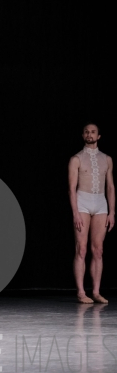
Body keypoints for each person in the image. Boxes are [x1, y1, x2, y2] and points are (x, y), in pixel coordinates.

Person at [69, 123, 114, 304]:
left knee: (98, 250)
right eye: (87, 132)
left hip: (101, 202)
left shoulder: (107, 159)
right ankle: (81, 292)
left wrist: (112, 212)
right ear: (83, 135)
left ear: (99, 136)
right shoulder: (76, 159)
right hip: (83, 202)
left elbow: (110, 186)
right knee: (81, 248)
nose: (90, 134)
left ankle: (96, 291)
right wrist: (75, 213)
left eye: (93, 132)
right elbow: (72, 188)